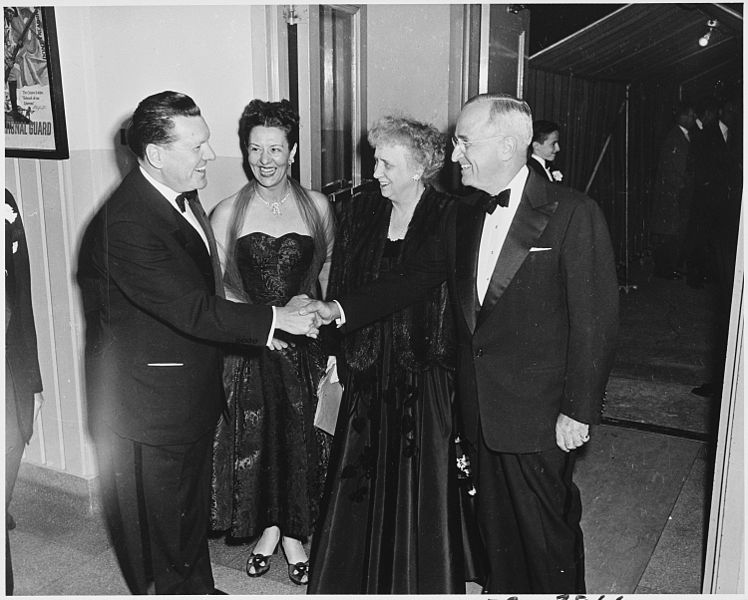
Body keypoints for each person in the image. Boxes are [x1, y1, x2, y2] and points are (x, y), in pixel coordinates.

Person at [302, 93, 619, 594]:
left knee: (545, 534)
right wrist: (338, 310)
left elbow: (595, 322)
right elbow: (416, 278)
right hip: (476, 409)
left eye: (465, 142)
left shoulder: (572, 213)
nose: (454, 156)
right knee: (497, 537)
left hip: (537, 414)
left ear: (510, 145)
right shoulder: (466, 213)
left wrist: (578, 411)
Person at [76, 91, 318, 595]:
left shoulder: (176, 196)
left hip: (182, 391)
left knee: (184, 518)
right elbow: (192, 308)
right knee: (160, 531)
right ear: (156, 155)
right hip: (148, 405)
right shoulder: (127, 223)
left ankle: (197, 589)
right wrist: (276, 319)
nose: (211, 155)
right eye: (198, 147)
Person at [308, 116, 482, 594]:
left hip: (422, 365)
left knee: (421, 475)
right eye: (375, 160)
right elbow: (342, 277)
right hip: (366, 358)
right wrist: (333, 351)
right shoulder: (363, 210)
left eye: (386, 163)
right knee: (359, 471)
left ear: (420, 166)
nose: (376, 172)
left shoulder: (450, 214)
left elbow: (426, 287)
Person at [209, 99, 334, 586]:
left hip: (305, 344)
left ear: (294, 150)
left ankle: (293, 536)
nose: (265, 159)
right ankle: (269, 528)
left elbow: (325, 270)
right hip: (253, 346)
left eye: (275, 149)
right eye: (255, 148)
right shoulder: (227, 212)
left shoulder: (319, 206)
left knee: (298, 440)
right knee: (259, 442)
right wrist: (265, 326)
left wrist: (308, 317)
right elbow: (217, 289)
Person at [5, 189, 44, 596]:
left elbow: (22, 296)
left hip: (7, 366)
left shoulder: (5, 201)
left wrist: (32, 383)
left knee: (11, 448)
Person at [649, 102, 695, 280]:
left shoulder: (684, 136)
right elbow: (673, 168)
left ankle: (668, 268)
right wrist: (681, 186)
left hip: (676, 192)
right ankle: (664, 270)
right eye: (691, 115)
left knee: (672, 232)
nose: (693, 119)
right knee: (668, 232)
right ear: (682, 117)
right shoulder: (675, 137)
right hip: (672, 193)